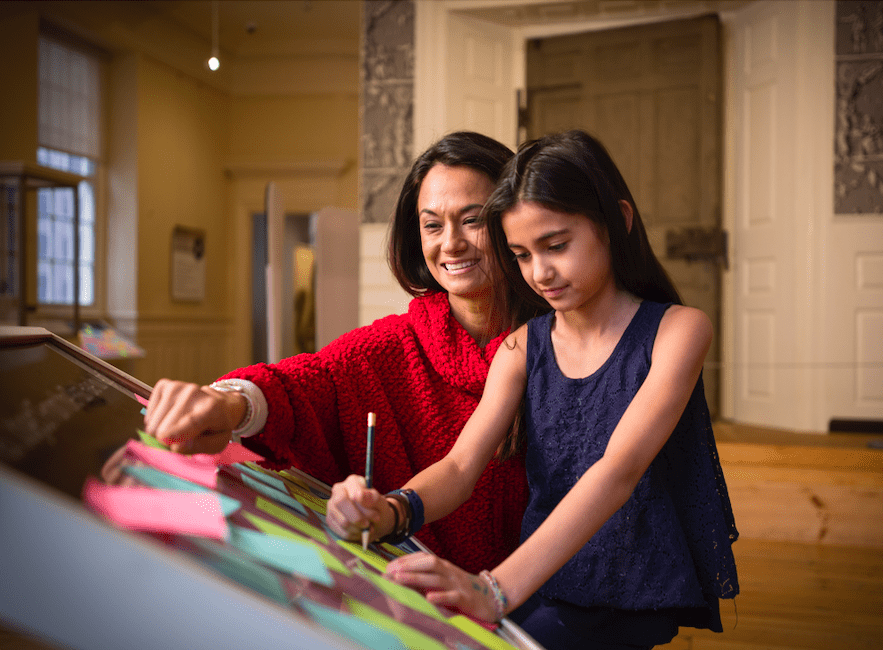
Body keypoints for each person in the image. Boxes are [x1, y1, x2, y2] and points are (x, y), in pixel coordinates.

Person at [326, 130, 739, 650]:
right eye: (520, 254)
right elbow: (459, 467)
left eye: (556, 245)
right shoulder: (520, 348)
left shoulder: (679, 330)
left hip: (628, 583)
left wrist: (493, 590)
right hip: (545, 575)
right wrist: (393, 509)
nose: (539, 272)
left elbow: (617, 471)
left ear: (618, 223)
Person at [140, 132, 538, 576]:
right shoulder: (388, 348)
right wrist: (229, 402)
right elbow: (301, 383)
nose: (450, 243)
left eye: (472, 220)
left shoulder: (562, 341)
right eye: (432, 224)